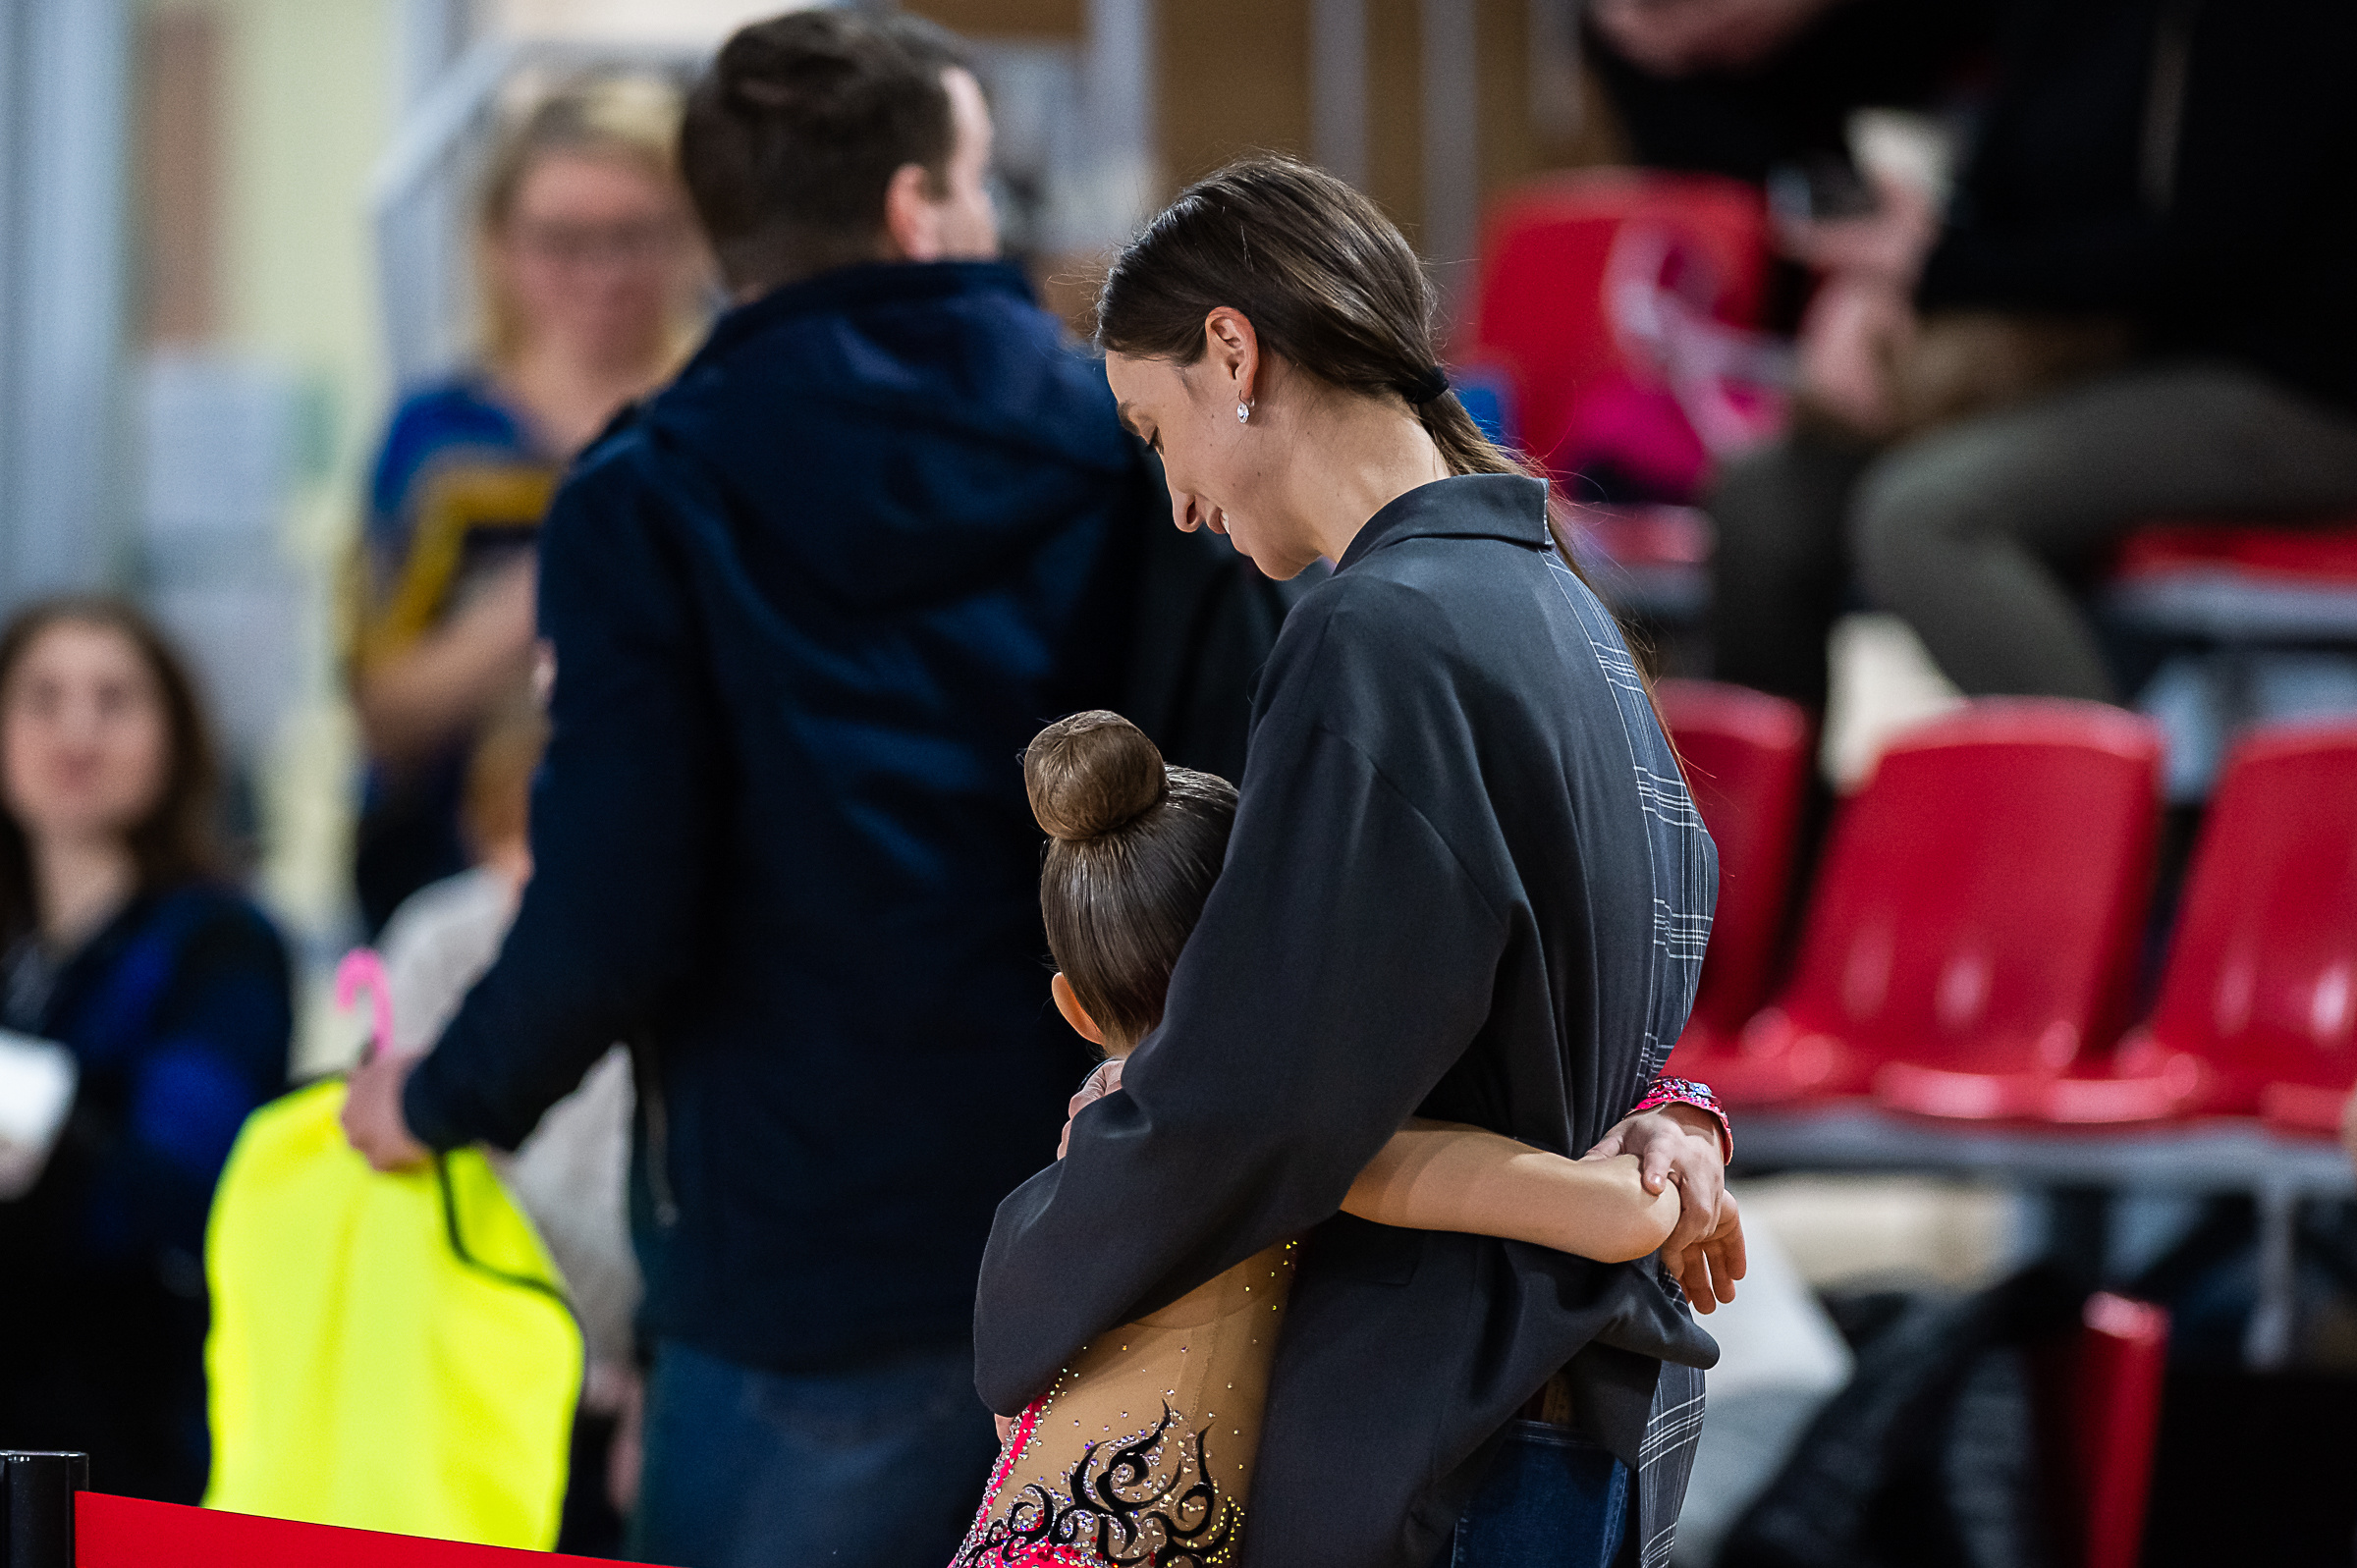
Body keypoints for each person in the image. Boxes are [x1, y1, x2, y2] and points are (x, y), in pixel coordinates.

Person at [337, 12, 1233, 1567]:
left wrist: (436, 1091)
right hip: (1121, 1220)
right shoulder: (1126, 437)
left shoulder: (644, 488)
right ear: (911, 205)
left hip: (795, 1264)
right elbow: (1234, 815)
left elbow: (615, 908)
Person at [973, 158, 1745, 1568]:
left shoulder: (1373, 631)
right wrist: (1675, 1116)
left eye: (1157, 435)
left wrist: (1042, 1246)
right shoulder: (1558, 601)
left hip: (1455, 1421)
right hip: (1581, 1423)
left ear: (1231, 350)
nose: (1180, 504)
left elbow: (1270, 1089)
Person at [955, 710, 1698, 1567]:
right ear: (1291, 948)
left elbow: (1017, 1429)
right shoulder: (1299, 1151)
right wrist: (1676, 1113)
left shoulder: (1034, 1212)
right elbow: (1628, 1218)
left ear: (1073, 1007)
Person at [1710, 0, 2357, 708]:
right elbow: (1997, 199)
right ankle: (1751, 818)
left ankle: (2112, 812)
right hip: (2077, 361)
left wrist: (1936, 271)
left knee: (1927, 518)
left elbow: (2209, 255)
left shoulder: (2280, 21)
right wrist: (1883, 283)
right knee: (1765, 501)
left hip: (2281, 384)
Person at [352, 74, 706, 933]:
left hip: (690, 880)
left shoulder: (724, 414)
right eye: (561, 239)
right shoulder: (439, 440)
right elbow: (381, 711)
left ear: (691, 237)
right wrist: (545, 595)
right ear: (499, 247)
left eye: (634, 234)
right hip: (454, 887)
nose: (601, 272)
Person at [0, 597, 292, 1502]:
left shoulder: (220, 946)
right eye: (43, 698)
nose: (76, 730)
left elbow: (183, 1182)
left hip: (124, 1430)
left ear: (174, 737)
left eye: (114, 699)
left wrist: (46, 1146)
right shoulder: (19, 951)